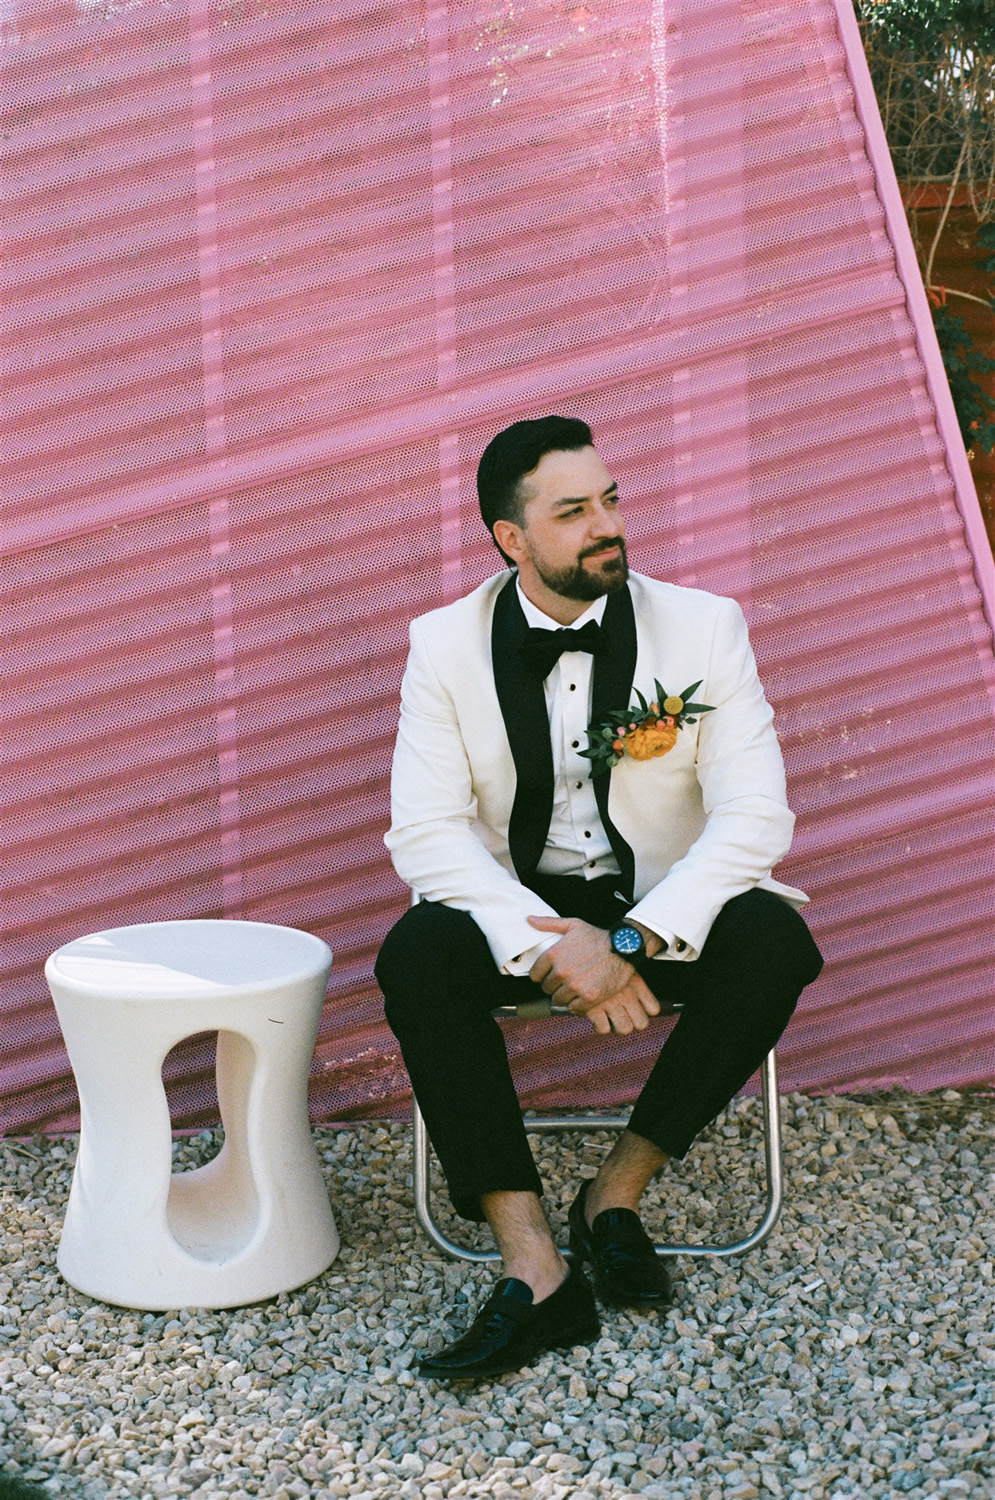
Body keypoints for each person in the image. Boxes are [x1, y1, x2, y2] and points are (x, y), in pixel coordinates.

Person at [376, 415, 823, 1380]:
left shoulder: (704, 626)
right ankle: (534, 1266)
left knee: (776, 944)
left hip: (656, 906)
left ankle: (612, 1197)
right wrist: (547, 944)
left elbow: (755, 819)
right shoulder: (443, 645)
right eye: (573, 511)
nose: (606, 524)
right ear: (511, 538)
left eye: (610, 499)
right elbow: (425, 832)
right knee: (414, 959)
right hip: (517, 909)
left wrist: (627, 940)